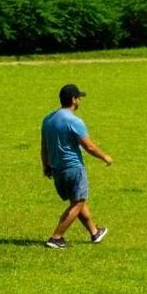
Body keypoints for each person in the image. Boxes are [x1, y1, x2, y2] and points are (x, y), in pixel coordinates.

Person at [41, 84, 114, 249]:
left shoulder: (48, 119)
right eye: (79, 97)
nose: (80, 100)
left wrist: (46, 165)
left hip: (56, 168)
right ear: (74, 100)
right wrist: (105, 157)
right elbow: (89, 147)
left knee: (77, 200)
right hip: (73, 168)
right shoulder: (74, 121)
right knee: (78, 203)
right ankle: (56, 238)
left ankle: (94, 232)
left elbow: (44, 146)